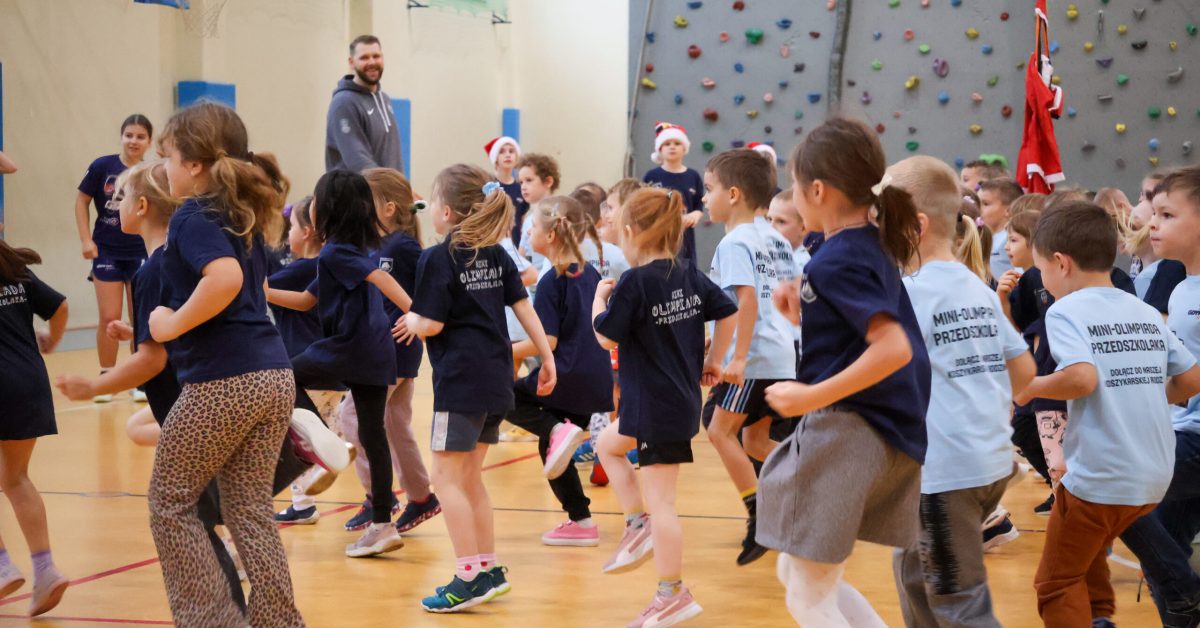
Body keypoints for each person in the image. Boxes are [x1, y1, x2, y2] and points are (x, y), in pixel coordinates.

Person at [758, 118, 931, 627]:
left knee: (808, 599)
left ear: (817, 190)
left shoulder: (838, 259)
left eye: (794, 186)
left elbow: (893, 347)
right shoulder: (864, 242)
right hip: (889, 431)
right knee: (799, 574)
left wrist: (809, 397)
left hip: (853, 431)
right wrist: (806, 308)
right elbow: (857, 328)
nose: (793, 196)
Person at [54, 161, 246, 611]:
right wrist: (136, 330)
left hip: (187, 408)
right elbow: (175, 330)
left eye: (120, 198)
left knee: (187, 515)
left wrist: (95, 385)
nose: (114, 206)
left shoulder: (151, 271)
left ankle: (220, 609)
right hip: (201, 400)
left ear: (141, 207)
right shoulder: (174, 262)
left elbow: (151, 360)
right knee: (212, 509)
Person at [147, 101, 304, 627]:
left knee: (171, 502)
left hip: (225, 381)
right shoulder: (241, 215)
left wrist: (171, 324)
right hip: (273, 374)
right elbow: (253, 285)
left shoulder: (193, 215)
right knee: (249, 509)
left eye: (168, 157)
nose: (164, 168)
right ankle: (278, 621)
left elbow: (226, 279)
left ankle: (213, 621)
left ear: (194, 164)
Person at [1013, 201, 1200, 628]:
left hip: (1101, 476)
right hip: (1154, 474)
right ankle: (1100, 619)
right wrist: (1144, 394)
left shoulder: (1065, 310)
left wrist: (1029, 387)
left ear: (1061, 263)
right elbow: (1192, 378)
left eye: (1040, 270)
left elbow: (1082, 379)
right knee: (1088, 559)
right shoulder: (1144, 310)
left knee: (1056, 584)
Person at [395, 165, 556, 613]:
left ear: (446, 212)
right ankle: (487, 568)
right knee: (470, 479)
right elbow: (524, 307)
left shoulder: (438, 257)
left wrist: (412, 320)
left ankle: (467, 576)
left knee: (446, 479)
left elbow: (432, 323)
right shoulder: (496, 253)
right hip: (497, 379)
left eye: (432, 202)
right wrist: (547, 357)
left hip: (461, 383)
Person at [887, 155, 1035, 627]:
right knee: (914, 572)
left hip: (945, 473)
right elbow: (1024, 374)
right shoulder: (977, 288)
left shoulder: (911, 293)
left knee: (960, 605)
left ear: (914, 226)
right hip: (987, 463)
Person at [593, 187, 737, 627]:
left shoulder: (635, 282)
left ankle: (672, 592)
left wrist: (598, 299)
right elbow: (728, 310)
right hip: (670, 402)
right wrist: (715, 360)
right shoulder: (687, 272)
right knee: (607, 445)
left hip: (654, 407)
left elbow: (606, 337)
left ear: (630, 230)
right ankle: (636, 525)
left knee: (664, 504)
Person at [266, 170, 414, 557]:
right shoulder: (350, 250)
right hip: (376, 350)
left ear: (328, 209)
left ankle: (323, 449)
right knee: (374, 435)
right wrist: (262, 292)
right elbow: (306, 301)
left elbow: (380, 279)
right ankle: (383, 525)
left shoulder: (336, 253)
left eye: (315, 200)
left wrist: (416, 313)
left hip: (350, 346)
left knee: (281, 378)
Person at [701, 149, 796, 566]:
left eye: (709, 189)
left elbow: (745, 301)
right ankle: (806, 482)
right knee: (755, 440)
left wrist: (734, 358)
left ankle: (759, 514)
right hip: (782, 353)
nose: (705, 198)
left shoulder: (734, 242)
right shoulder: (776, 238)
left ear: (734, 194)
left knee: (719, 433)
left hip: (755, 357)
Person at [505, 195, 613, 547]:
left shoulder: (553, 278)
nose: (528, 233)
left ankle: (554, 429)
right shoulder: (589, 272)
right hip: (594, 377)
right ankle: (581, 521)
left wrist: (502, 350)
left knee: (503, 397)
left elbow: (547, 341)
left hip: (566, 373)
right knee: (553, 451)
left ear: (550, 235)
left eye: (533, 227)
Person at [1118, 166, 1200, 627]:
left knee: (1112, 486)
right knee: (1163, 558)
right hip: (1182, 431)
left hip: (1195, 441)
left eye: (1167, 215)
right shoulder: (1183, 288)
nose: (1152, 223)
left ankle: (1187, 589)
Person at [340, 167, 441, 535]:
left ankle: (377, 496)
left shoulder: (404, 247)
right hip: (387, 349)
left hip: (396, 348)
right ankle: (421, 496)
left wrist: (417, 318)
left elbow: (430, 291)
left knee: (353, 415)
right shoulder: (377, 245)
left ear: (387, 207)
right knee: (396, 425)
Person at [0, 239, 69, 616]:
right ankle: (45, 571)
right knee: (15, 478)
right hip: (29, 382)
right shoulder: (13, 268)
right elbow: (59, 306)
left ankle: (2, 566)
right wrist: (52, 341)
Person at [74, 114, 153, 402]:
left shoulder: (151, 173)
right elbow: (81, 200)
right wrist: (86, 239)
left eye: (140, 136)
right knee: (109, 317)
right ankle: (107, 375)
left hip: (141, 253)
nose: (133, 141)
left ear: (149, 142)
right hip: (106, 251)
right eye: (129, 135)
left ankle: (138, 379)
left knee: (138, 317)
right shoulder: (102, 166)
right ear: (121, 137)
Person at [325, 35, 403, 173]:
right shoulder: (344, 103)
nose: (372, 62)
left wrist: (400, 183)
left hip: (388, 186)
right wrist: (388, 183)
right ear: (351, 62)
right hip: (358, 187)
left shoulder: (384, 99)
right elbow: (358, 161)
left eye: (376, 56)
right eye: (364, 58)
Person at [642, 122, 704, 269]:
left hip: (685, 239)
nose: (672, 147)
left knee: (685, 271)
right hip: (658, 236)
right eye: (667, 144)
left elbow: (699, 205)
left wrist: (695, 215)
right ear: (659, 149)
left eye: (677, 143)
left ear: (684, 148)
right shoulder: (651, 176)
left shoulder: (693, 176)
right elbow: (643, 206)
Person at [484, 136, 528, 243]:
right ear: (495, 158)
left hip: (515, 245)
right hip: (493, 243)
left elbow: (522, 218)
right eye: (502, 152)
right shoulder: (488, 185)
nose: (508, 155)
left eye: (511, 151)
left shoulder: (521, 187)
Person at [978, 179, 1024, 282]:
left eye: (985, 204)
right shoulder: (990, 238)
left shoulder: (1008, 239)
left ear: (1008, 210)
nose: (978, 209)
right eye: (978, 203)